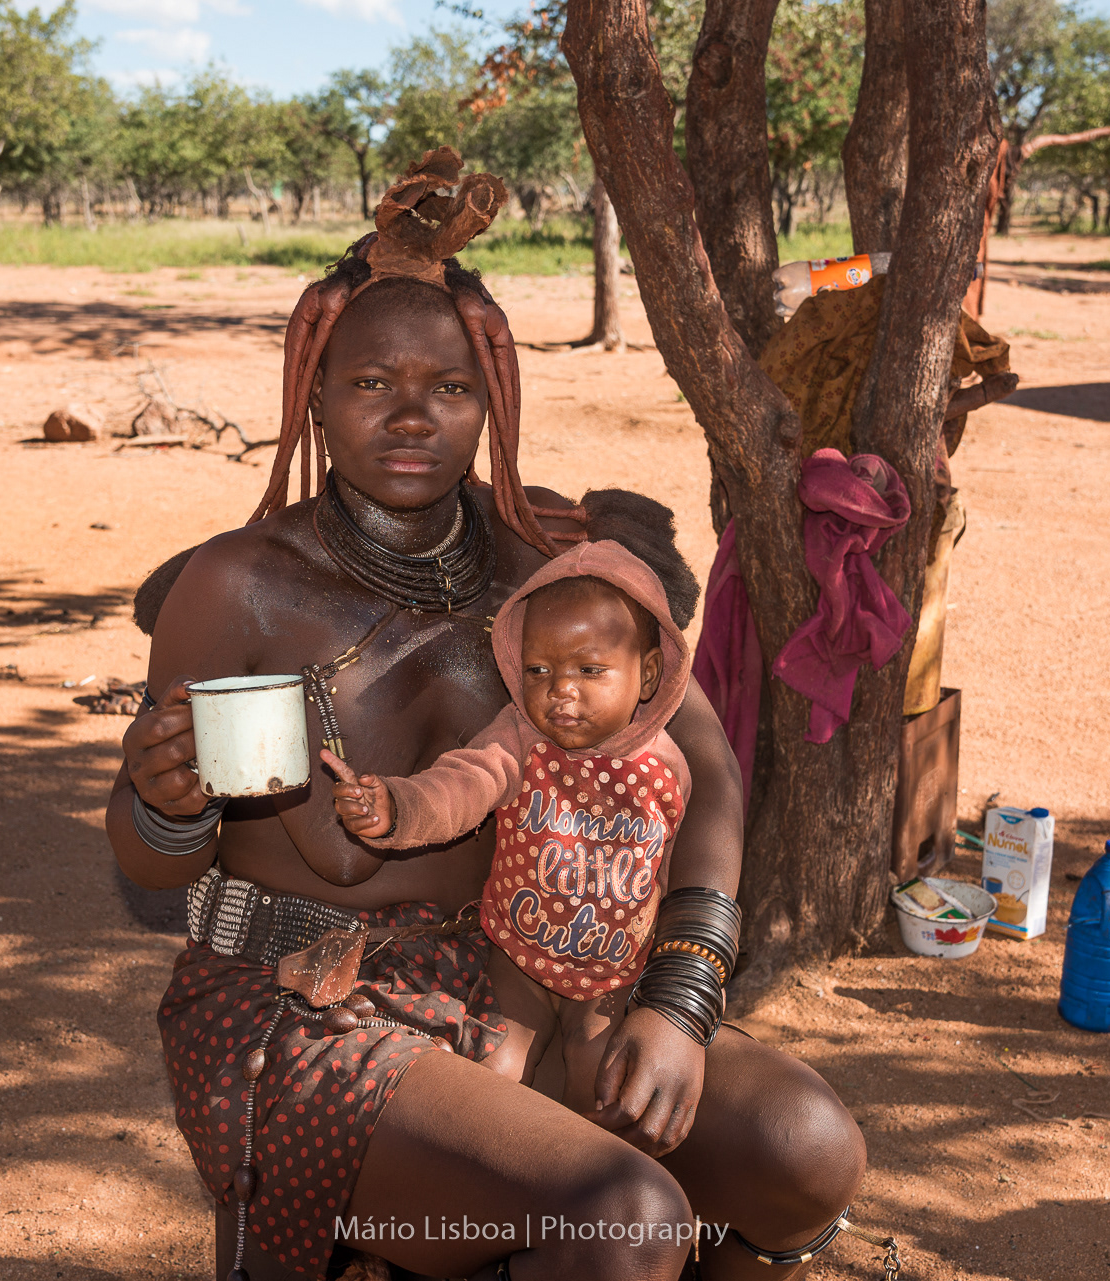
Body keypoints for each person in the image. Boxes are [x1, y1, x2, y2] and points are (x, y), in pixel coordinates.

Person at [110, 149, 864, 1281]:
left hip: (527, 983)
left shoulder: (553, 571)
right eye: (371, 385)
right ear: (314, 391)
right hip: (296, 1011)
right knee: (625, 1219)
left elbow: (700, 760)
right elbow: (147, 874)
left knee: (802, 1149)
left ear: (494, 400)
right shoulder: (239, 585)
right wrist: (165, 806)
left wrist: (682, 992)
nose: (412, 418)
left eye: (450, 389)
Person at [325, 538, 697, 1113]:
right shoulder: (519, 738)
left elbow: (677, 873)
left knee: (601, 1085)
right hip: (519, 959)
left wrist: (669, 985)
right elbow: (461, 785)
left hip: (614, 974)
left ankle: (587, 1197)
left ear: (647, 675)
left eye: (590, 670)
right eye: (539, 669)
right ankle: (499, 1180)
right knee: (493, 1072)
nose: (560, 690)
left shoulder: (665, 770)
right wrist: (398, 806)